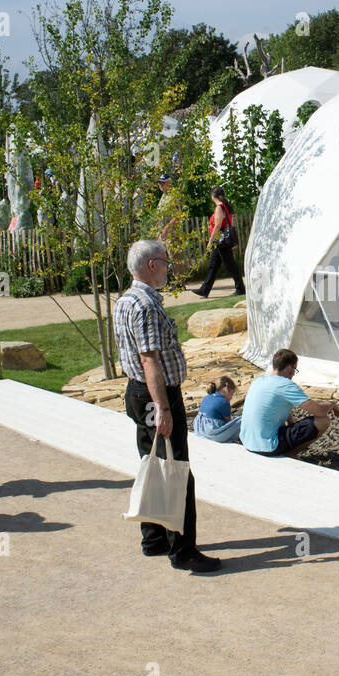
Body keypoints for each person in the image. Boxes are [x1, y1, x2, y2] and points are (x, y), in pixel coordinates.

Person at [113, 239, 219, 572]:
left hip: (138, 393)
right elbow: (149, 360)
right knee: (176, 471)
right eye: (165, 261)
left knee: (154, 463)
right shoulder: (144, 304)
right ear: (151, 265)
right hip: (154, 394)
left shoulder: (125, 300)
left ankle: (154, 538)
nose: (168, 267)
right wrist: (163, 407)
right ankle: (183, 550)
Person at [241, 349, 339, 457]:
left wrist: (288, 419)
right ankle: (290, 454)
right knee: (323, 421)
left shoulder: (258, 381)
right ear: (290, 368)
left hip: (247, 442)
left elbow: (271, 404)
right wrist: (332, 404)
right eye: (295, 369)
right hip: (268, 447)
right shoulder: (286, 385)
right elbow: (320, 411)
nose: (293, 374)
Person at [193, 186, 246, 298]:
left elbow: (217, 226)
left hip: (221, 241)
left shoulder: (219, 207)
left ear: (213, 196)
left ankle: (240, 288)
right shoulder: (224, 206)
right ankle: (204, 290)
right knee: (213, 265)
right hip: (220, 241)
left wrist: (210, 241)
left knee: (230, 265)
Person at [193, 376, 242, 443]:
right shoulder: (224, 402)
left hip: (199, 430)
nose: (231, 398)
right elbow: (228, 422)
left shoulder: (207, 397)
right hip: (212, 433)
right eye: (232, 394)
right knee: (241, 420)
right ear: (227, 388)